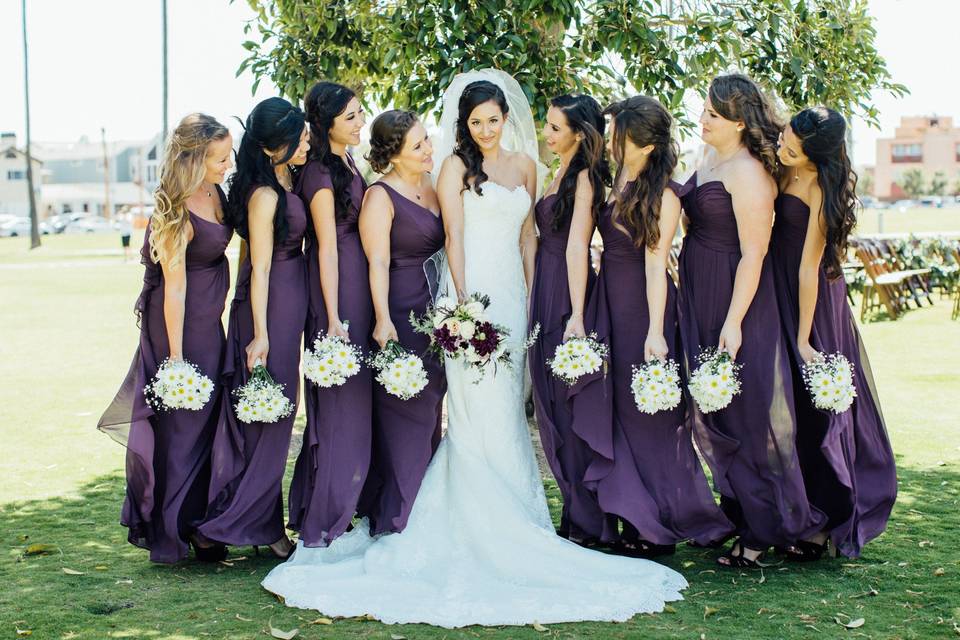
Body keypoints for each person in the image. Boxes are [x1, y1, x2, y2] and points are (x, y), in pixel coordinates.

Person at [261, 70, 686, 628]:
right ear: (464, 124)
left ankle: (521, 514)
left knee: (509, 406)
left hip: (514, 295)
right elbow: (453, 238)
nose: (485, 130)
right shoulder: (455, 168)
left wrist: (534, 297)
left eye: (493, 120)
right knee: (470, 408)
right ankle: (466, 516)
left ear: (508, 119)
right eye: (475, 121)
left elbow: (529, 237)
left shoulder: (530, 168)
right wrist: (463, 307)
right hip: (471, 299)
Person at [570, 96, 734, 557]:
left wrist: (656, 330)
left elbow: (656, 262)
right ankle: (632, 515)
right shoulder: (616, 177)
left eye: (620, 135)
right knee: (618, 413)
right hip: (609, 300)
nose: (613, 142)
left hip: (644, 307)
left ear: (644, 145)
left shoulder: (664, 193)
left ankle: (659, 526)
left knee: (652, 420)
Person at [676, 74, 825, 568]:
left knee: (747, 415)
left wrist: (734, 321)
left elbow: (754, 254)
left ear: (740, 122)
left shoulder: (749, 173)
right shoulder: (708, 160)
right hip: (700, 290)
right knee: (718, 412)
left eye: (713, 115)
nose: (703, 120)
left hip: (737, 300)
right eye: (704, 111)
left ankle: (767, 530)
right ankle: (741, 515)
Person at [98, 113, 233, 563]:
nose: (226, 163)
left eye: (228, 154)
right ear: (193, 158)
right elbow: (174, 287)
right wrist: (175, 359)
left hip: (209, 323)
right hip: (179, 326)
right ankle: (174, 530)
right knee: (181, 426)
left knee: (207, 420)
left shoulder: (217, 192)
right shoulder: (172, 208)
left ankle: (200, 521)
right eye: (218, 158)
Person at [771, 106, 896, 559]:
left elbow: (808, 267)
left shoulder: (823, 187)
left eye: (792, 146)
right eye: (785, 135)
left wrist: (804, 339)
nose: (783, 146)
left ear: (815, 156)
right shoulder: (782, 164)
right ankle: (791, 510)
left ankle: (825, 522)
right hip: (777, 289)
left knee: (814, 409)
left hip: (813, 302)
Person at [198, 98, 310, 559]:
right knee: (270, 418)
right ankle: (234, 525)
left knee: (273, 418)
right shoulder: (265, 196)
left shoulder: (287, 179)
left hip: (287, 302)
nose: (307, 143)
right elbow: (258, 266)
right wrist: (260, 334)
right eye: (299, 138)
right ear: (272, 148)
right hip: (272, 308)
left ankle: (257, 522)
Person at [286, 82, 375, 547]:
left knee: (355, 405)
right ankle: (327, 516)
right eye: (351, 118)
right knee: (343, 408)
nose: (361, 123)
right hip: (336, 294)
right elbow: (324, 249)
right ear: (326, 125)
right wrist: (335, 318)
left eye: (361, 114)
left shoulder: (346, 162)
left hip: (357, 285)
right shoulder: (320, 173)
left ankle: (343, 503)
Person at [355, 110, 447, 534]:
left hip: (438, 314)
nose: (429, 148)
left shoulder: (431, 184)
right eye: (418, 145)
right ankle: (399, 518)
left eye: (427, 139)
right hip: (401, 311)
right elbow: (377, 262)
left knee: (431, 412)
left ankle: (427, 511)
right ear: (394, 154)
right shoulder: (379, 197)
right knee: (404, 414)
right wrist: (382, 320)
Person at [527, 94, 609, 546]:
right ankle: (575, 513)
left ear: (579, 133)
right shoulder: (558, 171)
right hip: (546, 282)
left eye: (555, 128)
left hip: (566, 288)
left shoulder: (584, 179)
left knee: (569, 401)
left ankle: (590, 519)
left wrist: (577, 314)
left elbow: (579, 245)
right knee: (551, 404)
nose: (547, 134)